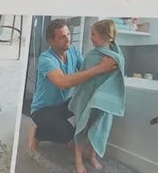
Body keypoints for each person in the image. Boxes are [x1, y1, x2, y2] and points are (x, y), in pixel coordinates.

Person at [27, 19, 117, 156]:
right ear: (51, 41)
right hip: (42, 110)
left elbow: (85, 70)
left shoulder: (73, 51)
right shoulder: (46, 59)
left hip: (64, 105)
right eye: (62, 37)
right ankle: (38, 133)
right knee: (65, 134)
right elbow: (63, 82)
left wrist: (106, 64)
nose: (67, 39)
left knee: (88, 103)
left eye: (68, 34)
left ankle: (70, 138)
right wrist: (99, 69)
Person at [68, 19, 125, 173]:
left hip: (104, 102)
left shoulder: (117, 58)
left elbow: (117, 82)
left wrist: (104, 98)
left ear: (105, 37)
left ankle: (92, 156)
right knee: (81, 128)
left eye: (93, 35)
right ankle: (78, 159)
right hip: (87, 98)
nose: (91, 38)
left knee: (99, 128)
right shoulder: (91, 56)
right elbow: (84, 77)